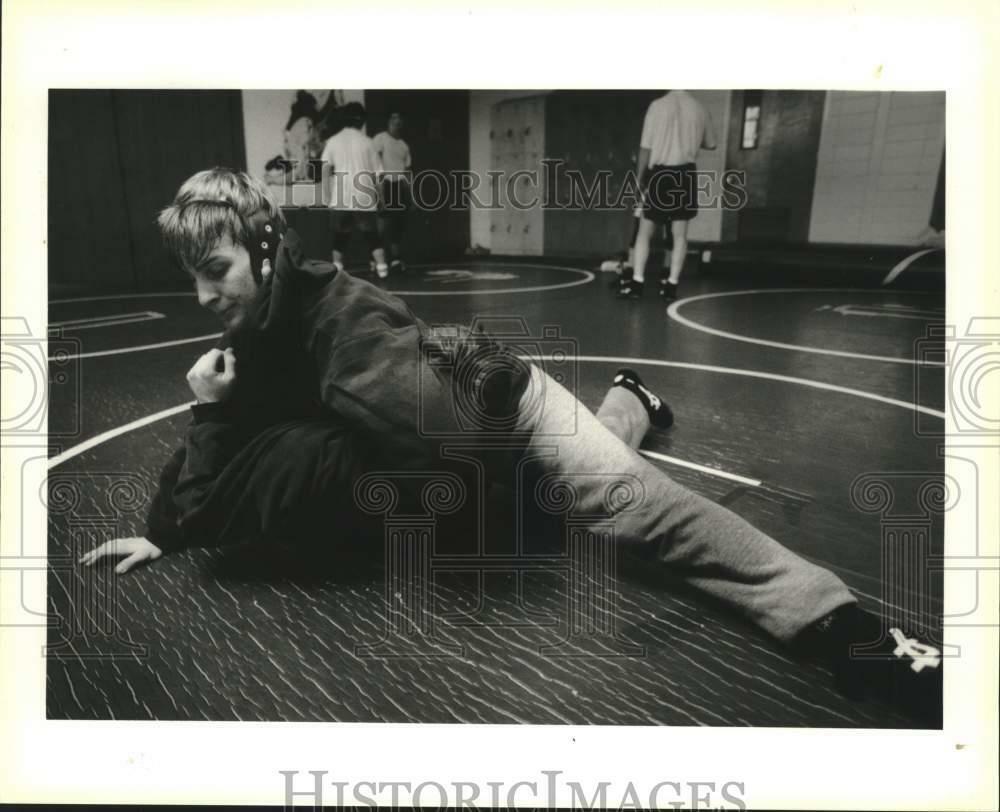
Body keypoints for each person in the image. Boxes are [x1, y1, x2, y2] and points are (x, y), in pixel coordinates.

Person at [84, 168, 942, 725]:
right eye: (191, 276)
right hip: (459, 458)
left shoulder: (347, 320)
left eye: (218, 270)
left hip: (506, 410)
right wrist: (169, 516)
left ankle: (846, 629)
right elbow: (234, 457)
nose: (202, 295)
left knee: (634, 510)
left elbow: (451, 436)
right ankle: (632, 396)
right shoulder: (253, 345)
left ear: (266, 253)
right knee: (581, 484)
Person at [618, 90, 716, 302]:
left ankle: (637, 284)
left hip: (660, 173)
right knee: (680, 234)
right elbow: (711, 143)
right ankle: (671, 286)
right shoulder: (699, 108)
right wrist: (688, 137)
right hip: (685, 173)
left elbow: (645, 148)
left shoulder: (657, 106)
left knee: (645, 231)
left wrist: (638, 179)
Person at [319, 102, 389, 278]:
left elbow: (325, 169)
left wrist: (326, 195)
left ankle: (336, 271)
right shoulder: (368, 142)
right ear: (362, 121)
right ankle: (382, 269)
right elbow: (378, 175)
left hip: (341, 196)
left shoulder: (333, 142)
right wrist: (381, 199)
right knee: (372, 235)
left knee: (340, 236)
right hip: (364, 195)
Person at [373, 112, 413, 273]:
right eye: (395, 122)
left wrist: (411, 195)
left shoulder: (403, 145)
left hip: (399, 186)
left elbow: (407, 172)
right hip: (384, 184)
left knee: (397, 224)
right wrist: (379, 193)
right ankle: (376, 261)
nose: (397, 126)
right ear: (389, 122)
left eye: (400, 123)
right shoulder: (380, 139)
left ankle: (396, 260)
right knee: (382, 225)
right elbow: (375, 164)